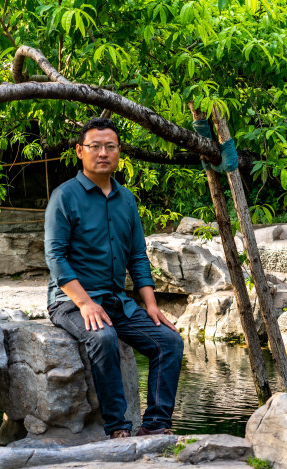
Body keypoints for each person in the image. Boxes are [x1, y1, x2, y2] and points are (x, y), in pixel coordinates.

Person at [44, 117, 183, 439]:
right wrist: (85, 303)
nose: (103, 153)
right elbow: (56, 258)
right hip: (70, 302)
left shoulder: (126, 200)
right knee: (103, 338)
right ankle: (118, 429)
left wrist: (150, 304)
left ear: (119, 152)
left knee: (169, 342)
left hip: (116, 300)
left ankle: (156, 426)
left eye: (110, 146)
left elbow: (137, 257)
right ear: (80, 151)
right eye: (95, 146)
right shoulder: (64, 197)